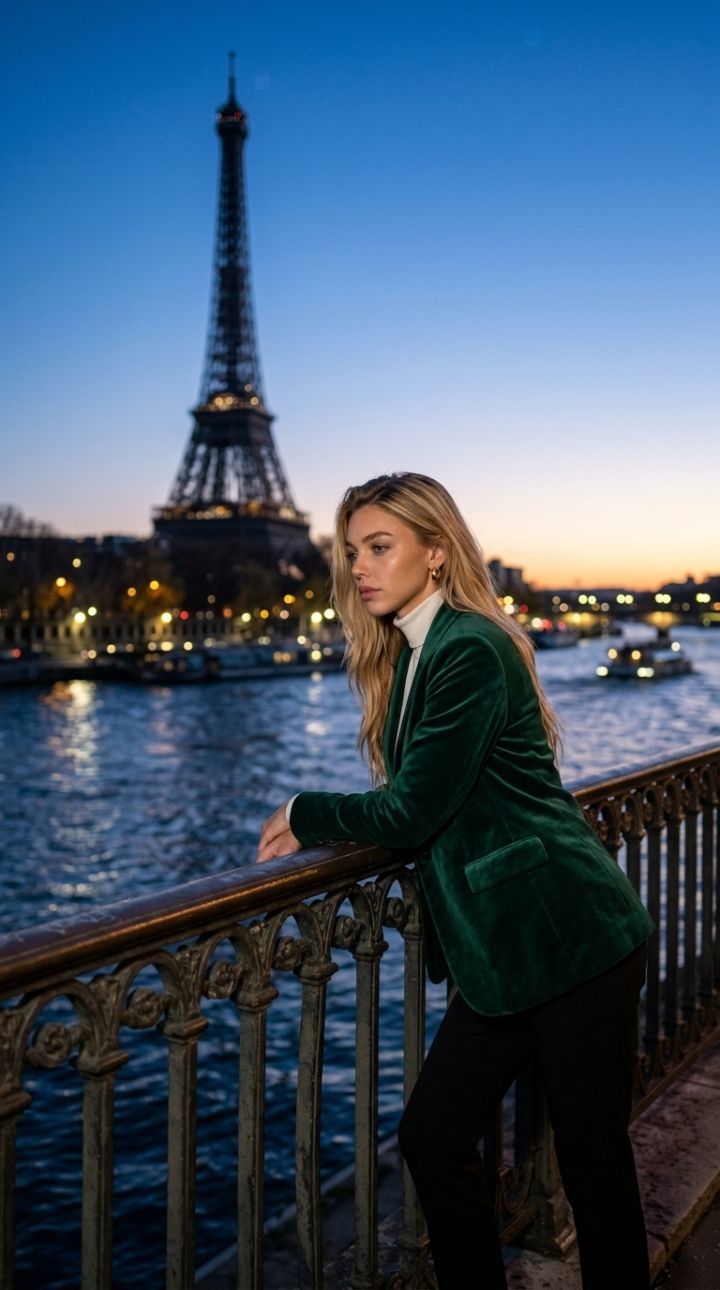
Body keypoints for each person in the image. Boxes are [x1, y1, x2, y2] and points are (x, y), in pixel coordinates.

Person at [258, 472, 653, 1290]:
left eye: (380, 546)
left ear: (435, 553)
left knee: (592, 1162)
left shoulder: (466, 646)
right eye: (352, 550)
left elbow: (411, 812)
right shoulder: (416, 651)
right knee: (437, 1138)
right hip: (507, 950)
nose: (359, 567)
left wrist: (305, 808)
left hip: (568, 934)